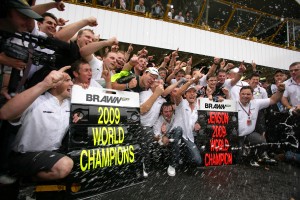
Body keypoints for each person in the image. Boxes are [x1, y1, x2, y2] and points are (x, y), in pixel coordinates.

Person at [0, 66, 74, 180]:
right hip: (24, 156)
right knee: (64, 165)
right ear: (54, 84)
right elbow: (5, 113)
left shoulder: (71, 105)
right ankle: (20, 180)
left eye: (71, 80)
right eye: (67, 80)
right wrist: (45, 84)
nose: (71, 84)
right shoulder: (36, 101)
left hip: (53, 154)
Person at [237, 84, 285, 167]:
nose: (245, 96)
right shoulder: (233, 103)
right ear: (239, 94)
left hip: (249, 134)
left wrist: (280, 91)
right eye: (243, 94)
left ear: (252, 95)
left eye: (248, 94)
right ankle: (243, 153)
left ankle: (254, 157)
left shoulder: (256, 103)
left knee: (261, 141)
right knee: (238, 159)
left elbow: (273, 100)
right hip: (235, 137)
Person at [169, 74, 202, 172]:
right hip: (176, 133)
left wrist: (198, 124)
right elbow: (178, 93)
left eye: (194, 92)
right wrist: (192, 80)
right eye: (189, 92)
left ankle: (183, 157)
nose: (192, 94)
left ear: (196, 94)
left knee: (197, 161)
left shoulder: (198, 107)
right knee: (178, 129)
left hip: (188, 137)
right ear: (185, 95)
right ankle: (172, 164)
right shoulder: (181, 102)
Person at [153, 102, 182, 176]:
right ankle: (176, 159)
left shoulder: (175, 117)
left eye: (170, 111)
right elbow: (155, 136)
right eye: (166, 112)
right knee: (171, 143)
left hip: (174, 137)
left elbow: (179, 129)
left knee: (179, 129)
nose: (168, 114)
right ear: (161, 112)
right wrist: (162, 136)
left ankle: (172, 163)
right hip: (163, 140)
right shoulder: (158, 120)